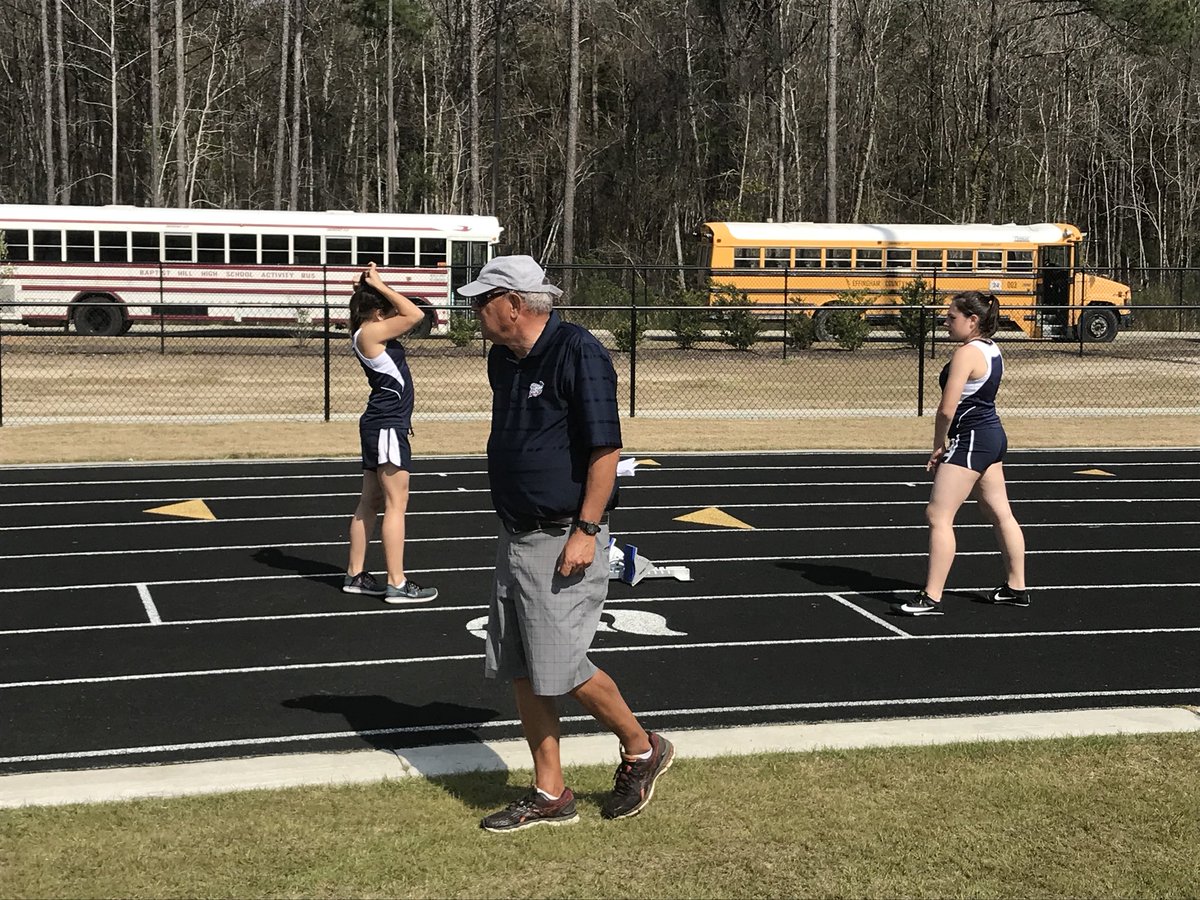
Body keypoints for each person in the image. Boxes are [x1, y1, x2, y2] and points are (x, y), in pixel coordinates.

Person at [459, 255, 673, 833]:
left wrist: (586, 531)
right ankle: (549, 792)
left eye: (482, 300)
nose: (475, 310)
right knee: (524, 668)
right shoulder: (503, 360)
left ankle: (642, 747)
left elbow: (605, 450)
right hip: (516, 533)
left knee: (561, 665)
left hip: (563, 535)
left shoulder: (579, 350)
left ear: (514, 303)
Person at [893, 290, 1028, 616]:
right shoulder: (992, 349)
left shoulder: (966, 353)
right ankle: (1016, 587)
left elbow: (946, 409)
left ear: (973, 320)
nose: (945, 322)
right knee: (1001, 513)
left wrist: (938, 444)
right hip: (991, 437)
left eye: (952, 317)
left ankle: (931, 595)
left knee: (938, 515)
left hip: (972, 440)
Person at [341, 262, 438, 604]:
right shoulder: (370, 333)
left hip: (379, 423)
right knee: (397, 503)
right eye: (387, 309)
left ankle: (355, 574)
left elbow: (403, 312)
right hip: (387, 424)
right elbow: (416, 315)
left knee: (370, 501)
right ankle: (396, 582)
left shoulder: (367, 331)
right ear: (378, 312)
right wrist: (382, 286)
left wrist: (371, 286)